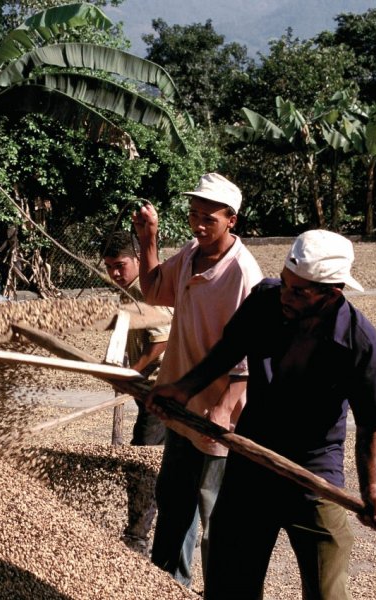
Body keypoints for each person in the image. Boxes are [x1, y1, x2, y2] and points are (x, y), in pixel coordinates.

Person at [148, 230, 376, 599]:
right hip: (252, 458)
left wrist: (372, 488)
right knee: (230, 582)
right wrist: (183, 388)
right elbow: (228, 349)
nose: (285, 294)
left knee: (328, 589)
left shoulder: (358, 342)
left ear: (331, 294)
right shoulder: (266, 299)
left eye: (299, 291)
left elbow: (373, 423)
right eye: (285, 282)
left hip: (313, 473)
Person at [131, 173, 264, 586]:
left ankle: (224, 592)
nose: (199, 225)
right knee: (174, 508)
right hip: (181, 406)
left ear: (232, 221)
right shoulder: (190, 254)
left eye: (209, 218)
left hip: (216, 415)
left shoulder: (243, 273)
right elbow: (153, 291)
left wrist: (224, 409)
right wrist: (148, 237)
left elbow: (251, 349)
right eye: (193, 216)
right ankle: (170, 588)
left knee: (216, 518)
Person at [101, 230, 172, 553]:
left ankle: (137, 537)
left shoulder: (143, 290)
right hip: (149, 391)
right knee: (157, 461)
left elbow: (161, 340)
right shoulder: (127, 292)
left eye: (120, 265)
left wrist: (133, 372)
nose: (115, 273)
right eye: (109, 266)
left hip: (162, 391)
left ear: (138, 260)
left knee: (142, 460)